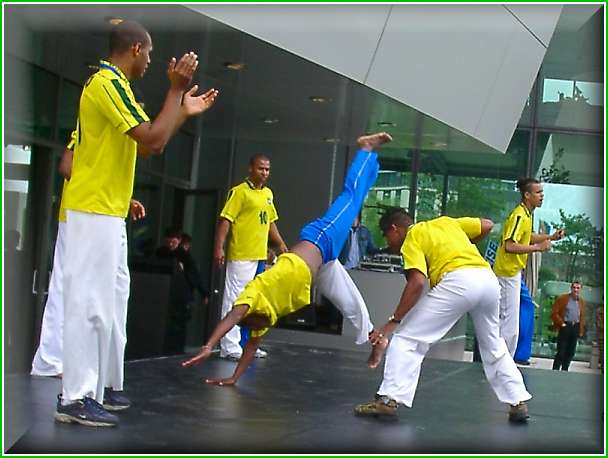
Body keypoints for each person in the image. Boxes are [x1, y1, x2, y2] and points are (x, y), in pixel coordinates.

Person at [56, 20, 218, 427]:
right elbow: (153, 140)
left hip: (108, 210)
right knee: (88, 304)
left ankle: (100, 388)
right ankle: (74, 396)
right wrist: (176, 91)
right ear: (134, 49)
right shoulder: (106, 84)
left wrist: (180, 111)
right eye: (149, 52)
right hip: (92, 210)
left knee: (110, 305)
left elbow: (149, 143)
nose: (151, 60)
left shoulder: (120, 88)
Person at [182, 132, 393, 385]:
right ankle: (375, 337)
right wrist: (233, 379)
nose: (256, 333)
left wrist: (208, 346)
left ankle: (366, 149)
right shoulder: (264, 320)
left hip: (320, 239)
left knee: (351, 197)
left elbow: (231, 317)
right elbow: (249, 350)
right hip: (321, 266)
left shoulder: (254, 295)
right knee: (350, 300)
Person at [354, 207, 532, 423]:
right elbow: (486, 224)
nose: (388, 242)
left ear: (394, 229)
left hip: (459, 281)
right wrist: (464, 247)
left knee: (407, 338)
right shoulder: (447, 223)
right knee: (494, 343)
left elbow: (417, 282)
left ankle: (388, 400)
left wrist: (393, 322)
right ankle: (517, 401)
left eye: (386, 236)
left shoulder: (412, 236)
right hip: (487, 279)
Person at [32, 136, 147, 377]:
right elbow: (67, 167)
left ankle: (66, 360)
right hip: (78, 214)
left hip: (95, 213)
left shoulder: (113, 142)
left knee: (93, 291)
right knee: (65, 287)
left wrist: (124, 200)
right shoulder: (88, 131)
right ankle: (50, 360)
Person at [213, 154, 288, 361]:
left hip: (259, 256)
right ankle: (229, 346)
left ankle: (247, 344)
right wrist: (219, 247)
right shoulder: (239, 192)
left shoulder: (268, 194)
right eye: (260, 168)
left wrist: (281, 244)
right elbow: (225, 221)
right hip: (241, 255)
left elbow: (271, 222)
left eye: (267, 169)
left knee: (254, 303)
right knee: (234, 300)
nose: (264, 173)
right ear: (250, 169)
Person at [493, 178, 564, 356]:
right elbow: (509, 245)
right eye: (538, 192)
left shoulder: (526, 214)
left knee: (512, 320)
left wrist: (551, 237)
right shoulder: (519, 215)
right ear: (527, 195)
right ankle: (502, 361)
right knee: (509, 325)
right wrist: (537, 248)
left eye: (542, 192)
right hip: (506, 274)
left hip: (514, 274)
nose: (542, 196)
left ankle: (503, 360)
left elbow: (527, 237)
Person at [156, 227, 209, 355]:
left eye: (173, 241)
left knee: (178, 324)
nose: (170, 244)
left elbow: (194, 275)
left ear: (179, 241)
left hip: (180, 295)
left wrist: (204, 293)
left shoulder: (184, 256)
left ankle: (175, 349)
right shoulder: (160, 253)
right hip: (163, 294)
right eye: (168, 241)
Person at [551, 281, 586, 371]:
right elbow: (554, 313)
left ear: (580, 290)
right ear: (571, 288)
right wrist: (562, 323)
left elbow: (582, 316)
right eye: (574, 287)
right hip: (565, 326)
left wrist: (581, 330)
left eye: (578, 288)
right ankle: (555, 369)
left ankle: (565, 369)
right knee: (561, 350)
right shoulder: (563, 299)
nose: (576, 290)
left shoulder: (581, 302)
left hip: (575, 327)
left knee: (571, 351)